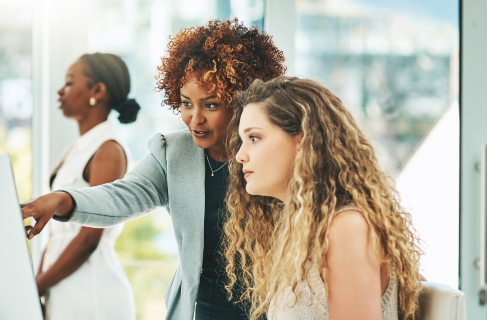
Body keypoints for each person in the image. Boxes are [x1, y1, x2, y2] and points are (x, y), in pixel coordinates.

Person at [22, 19, 285, 320]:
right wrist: (63, 199)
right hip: (200, 312)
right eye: (187, 104)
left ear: (241, 101)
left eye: (211, 105)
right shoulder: (172, 154)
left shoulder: (271, 153)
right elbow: (122, 196)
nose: (194, 119)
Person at [224, 76, 422, 320]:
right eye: (242, 141)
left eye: (254, 138)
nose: (240, 155)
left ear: (302, 140)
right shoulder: (302, 229)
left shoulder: (346, 227)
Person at [35, 53, 140, 320]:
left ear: (97, 90)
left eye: (69, 82)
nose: (61, 90)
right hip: (64, 287)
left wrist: (35, 287)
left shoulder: (108, 150)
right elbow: (59, 236)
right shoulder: (76, 150)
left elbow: (88, 239)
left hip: (91, 294)